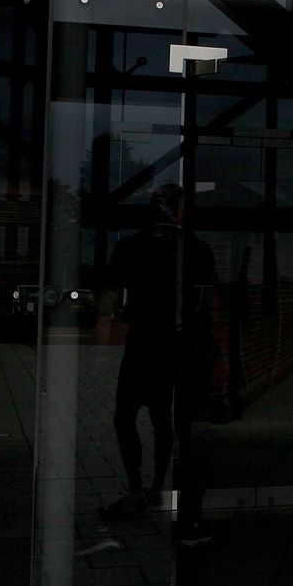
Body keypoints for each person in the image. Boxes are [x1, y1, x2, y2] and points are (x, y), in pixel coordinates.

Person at [100, 183, 183, 520]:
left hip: (141, 342)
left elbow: (109, 293)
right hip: (173, 343)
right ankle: (157, 485)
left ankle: (136, 489)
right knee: (163, 417)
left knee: (126, 416)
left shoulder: (129, 247)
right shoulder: (193, 249)